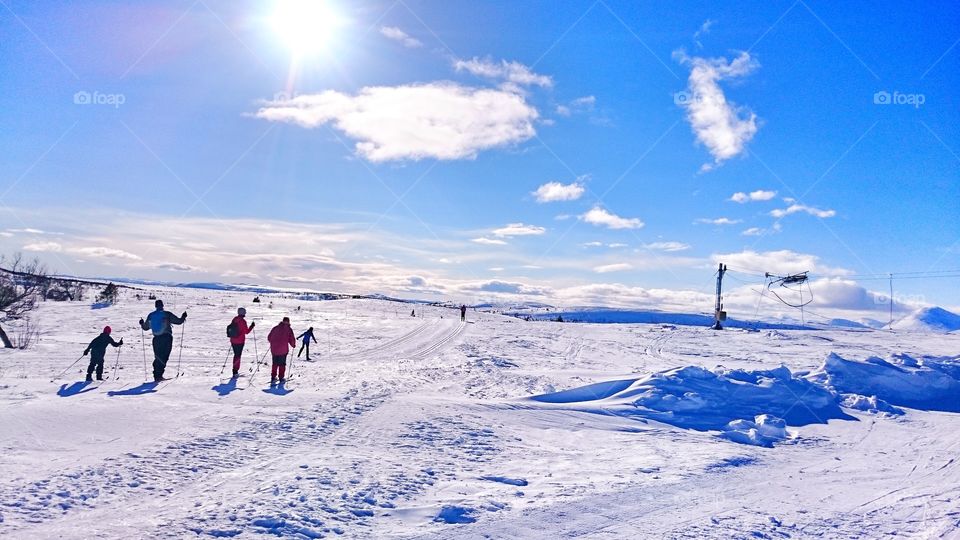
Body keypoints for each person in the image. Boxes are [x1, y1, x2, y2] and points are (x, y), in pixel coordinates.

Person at [139, 299, 187, 381]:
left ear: (155, 306)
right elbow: (178, 321)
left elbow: (146, 327)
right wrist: (183, 317)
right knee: (164, 356)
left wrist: (142, 323)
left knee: (158, 357)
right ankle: (159, 375)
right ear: (162, 305)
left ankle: (157, 375)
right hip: (166, 337)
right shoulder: (166, 314)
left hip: (156, 339)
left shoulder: (151, 315)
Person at [267, 317, 296, 384]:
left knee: (275, 363)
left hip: (274, 349)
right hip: (283, 350)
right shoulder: (288, 329)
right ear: (288, 322)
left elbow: (269, 338)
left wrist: (273, 342)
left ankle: (273, 377)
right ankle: (281, 377)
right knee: (282, 364)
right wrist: (293, 345)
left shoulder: (275, 328)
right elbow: (291, 339)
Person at [228, 307, 255, 377]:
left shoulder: (234, 319)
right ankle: (235, 371)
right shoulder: (243, 321)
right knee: (238, 356)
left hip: (233, 340)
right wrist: (252, 326)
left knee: (236, 355)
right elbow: (247, 332)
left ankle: (235, 370)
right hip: (240, 341)